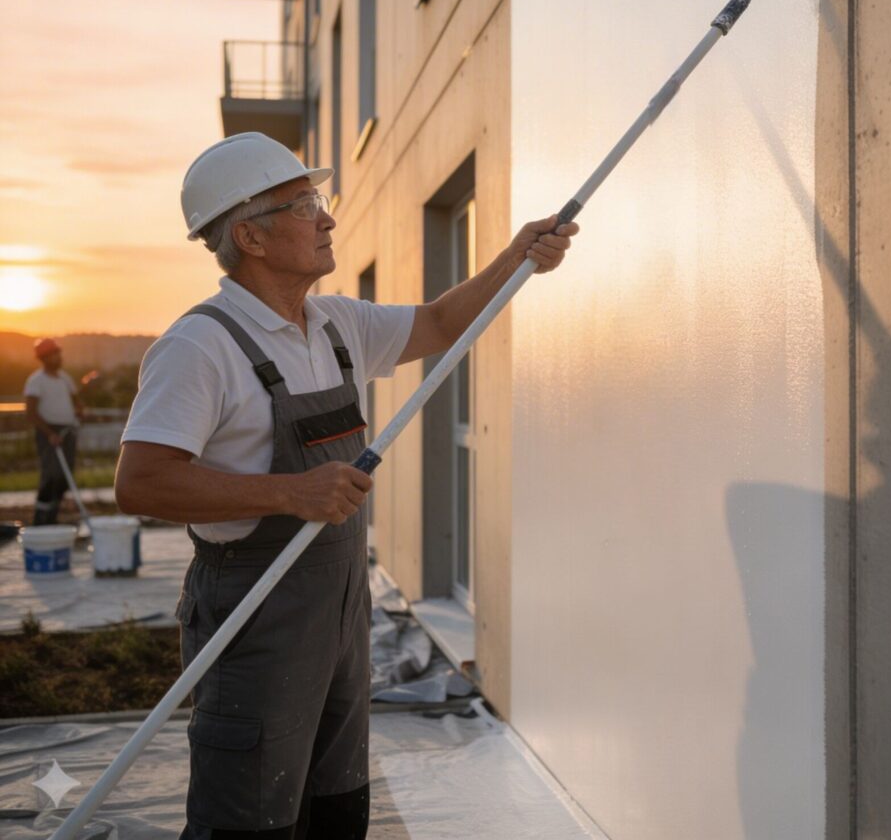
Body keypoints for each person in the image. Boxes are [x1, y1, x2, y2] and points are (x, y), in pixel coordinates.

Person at [115, 132, 578, 840]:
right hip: (254, 611)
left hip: (339, 609)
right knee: (250, 813)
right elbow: (141, 482)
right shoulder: (199, 346)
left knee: (335, 803)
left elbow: (440, 323)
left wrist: (517, 257)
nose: (327, 218)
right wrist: (289, 493)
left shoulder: (335, 325)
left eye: (318, 199)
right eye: (304, 204)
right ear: (251, 236)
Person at [24, 337, 84, 525]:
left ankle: (52, 518)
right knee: (51, 476)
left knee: (64, 478)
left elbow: (76, 402)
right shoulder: (36, 381)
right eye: (54, 354)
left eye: (59, 353)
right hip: (49, 434)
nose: (59, 357)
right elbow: (31, 413)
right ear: (44, 357)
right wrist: (50, 434)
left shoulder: (65, 379)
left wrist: (80, 410)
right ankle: (40, 521)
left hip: (67, 432)